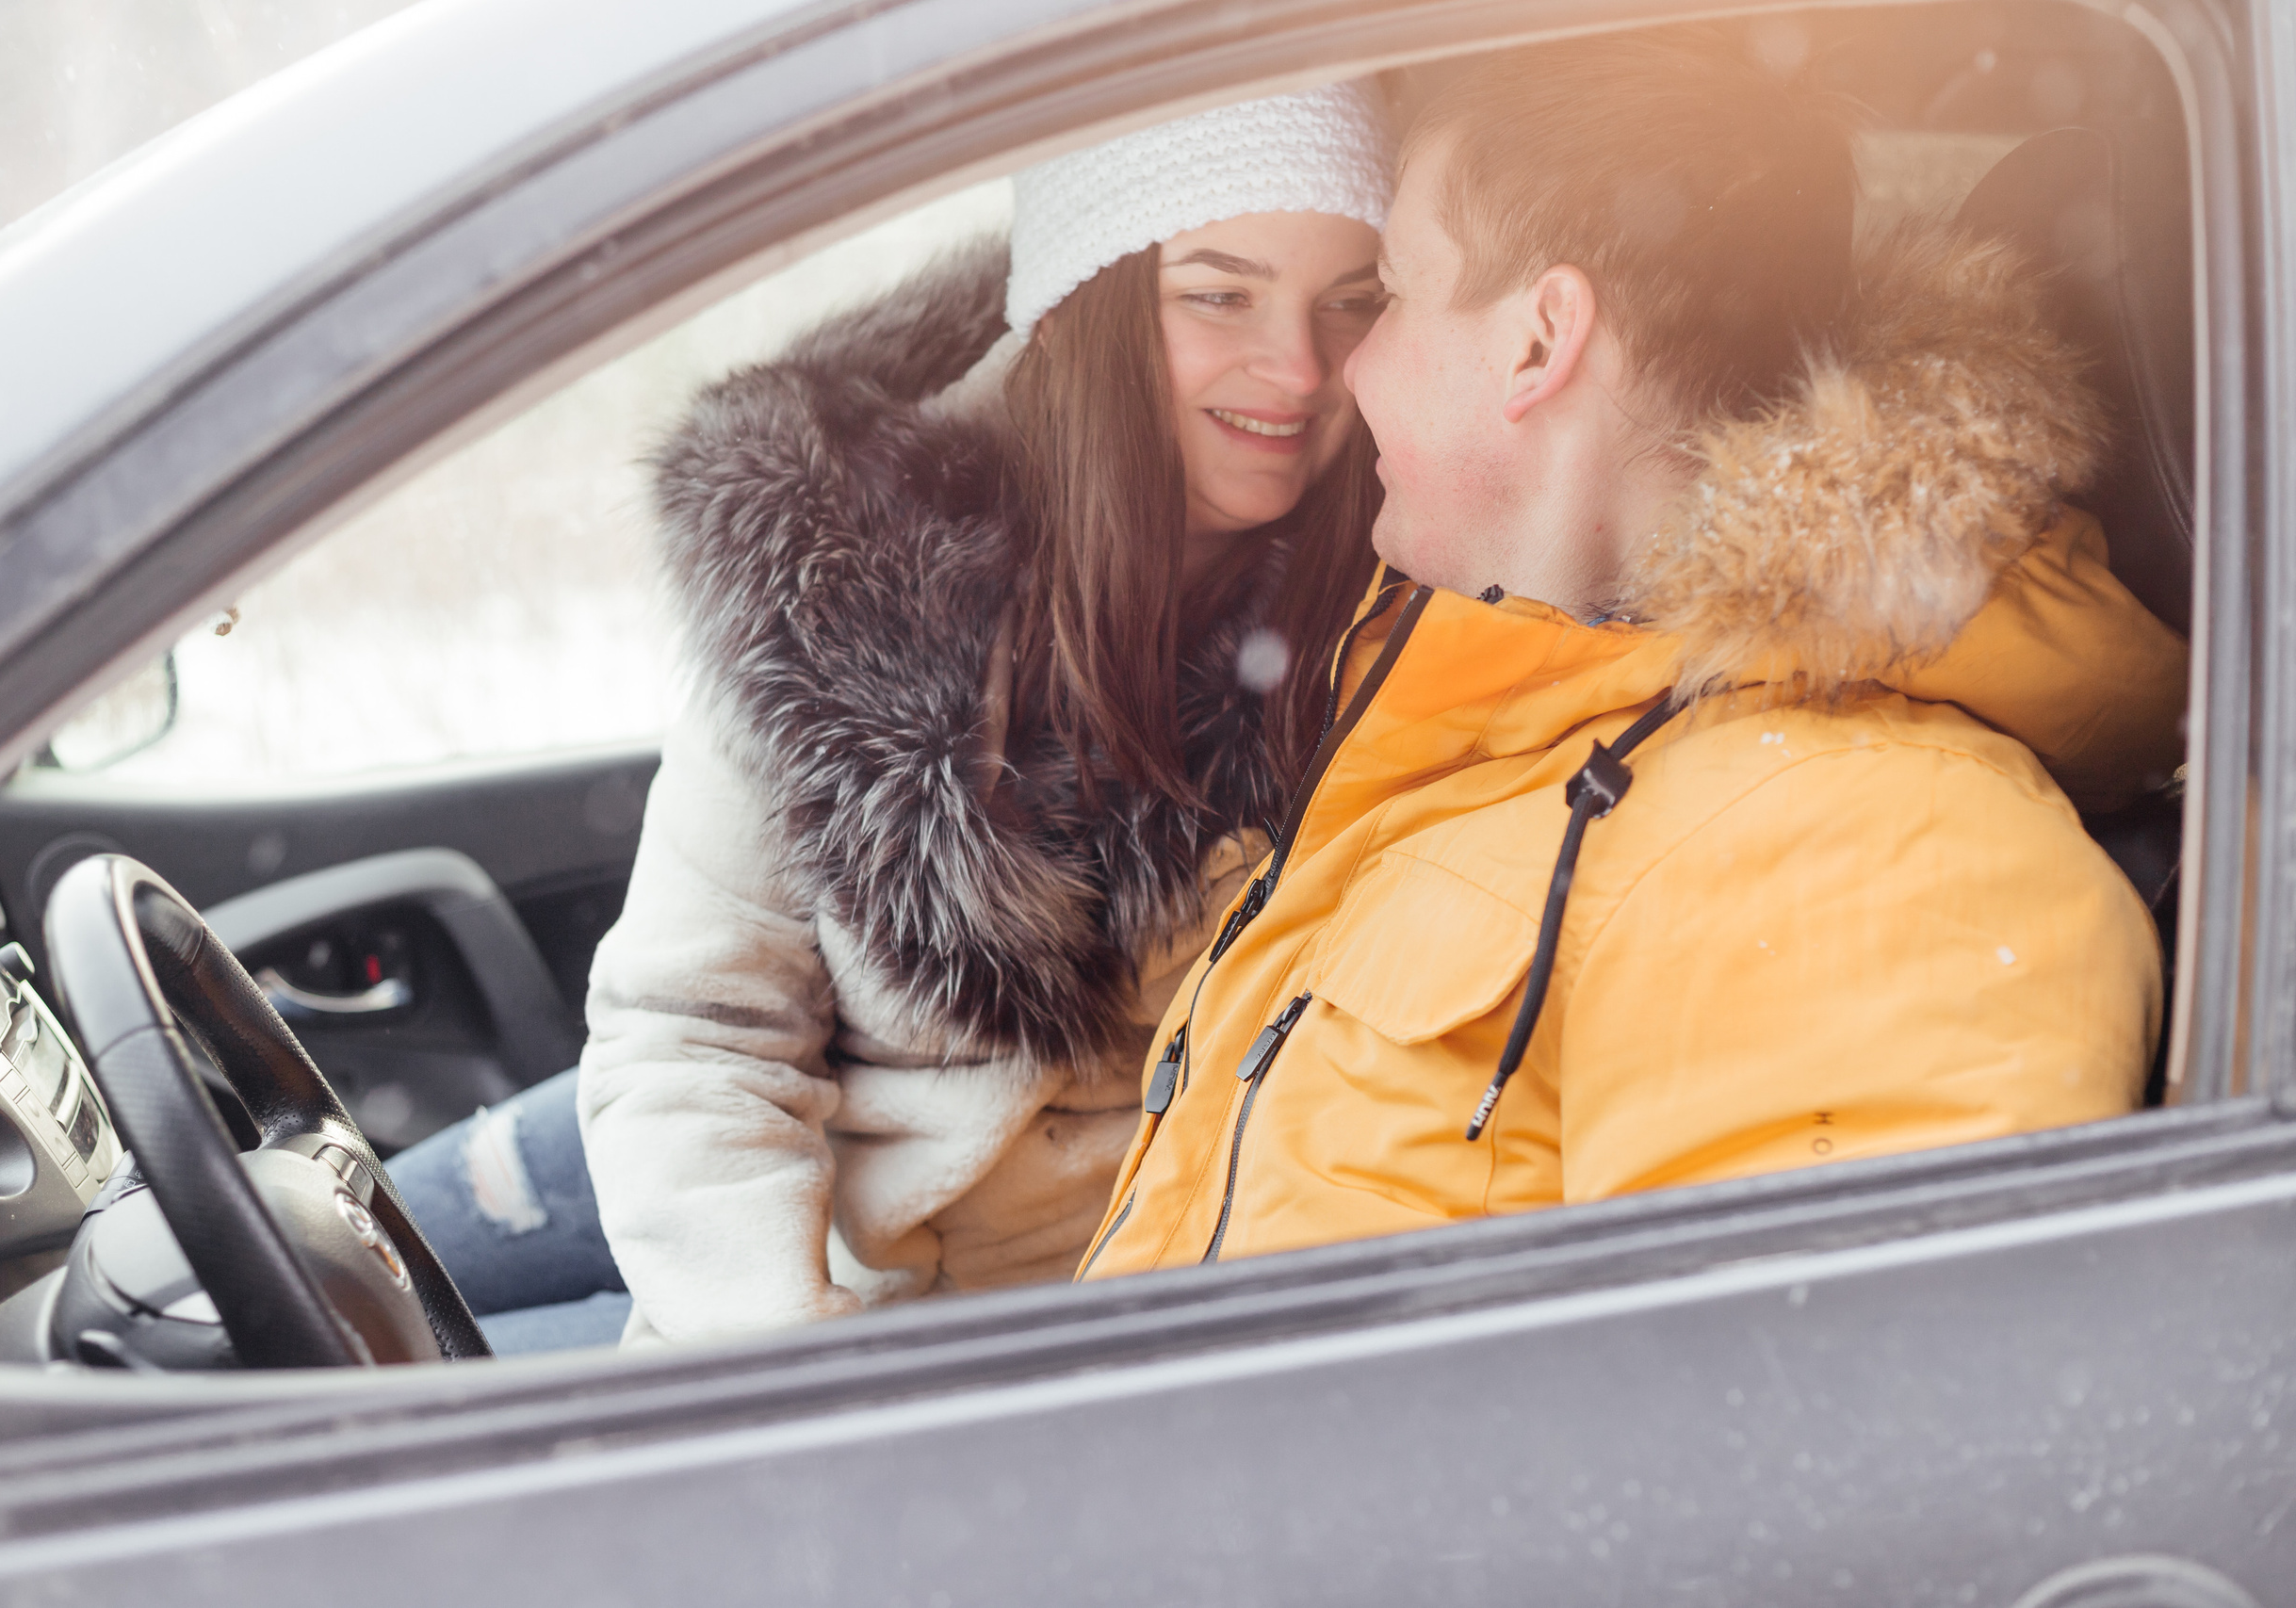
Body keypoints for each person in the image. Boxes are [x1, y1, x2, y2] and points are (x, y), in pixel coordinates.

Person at [1075, 34, 2190, 1279]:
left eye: (1390, 294)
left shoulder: (1856, 845)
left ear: (1540, 342)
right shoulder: (1500, 727)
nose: (1345, 367)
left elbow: (1817, 1425)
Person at [388, 84, 1396, 1351]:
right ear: (1090, 301)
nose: (1298, 370)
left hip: (1101, 1349)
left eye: (1350, 301)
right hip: (820, 1305)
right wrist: (785, 1366)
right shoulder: (832, 580)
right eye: (1218, 292)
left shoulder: (1407, 601)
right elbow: (698, 1035)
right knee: (293, 1331)